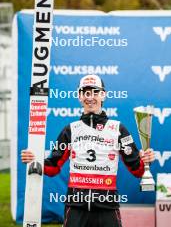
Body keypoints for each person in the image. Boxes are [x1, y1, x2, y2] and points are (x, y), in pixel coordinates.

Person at [21, 74, 155, 227]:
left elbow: (137, 170)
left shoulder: (117, 129)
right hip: (76, 207)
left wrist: (146, 161)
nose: (90, 97)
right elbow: (53, 167)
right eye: (86, 92)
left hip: (107, 206)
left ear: (103, 95)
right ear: (79, 96)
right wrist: (34, 160)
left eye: (95, 92)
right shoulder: (70, 130)